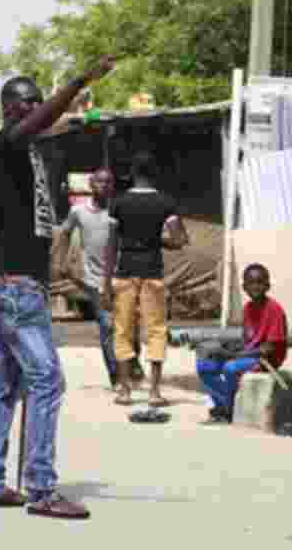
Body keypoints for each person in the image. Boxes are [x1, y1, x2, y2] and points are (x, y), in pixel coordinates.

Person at [0, 57, 117, 519]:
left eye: (38, 100)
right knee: (47, 379)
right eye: (26, 102)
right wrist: (78, 80)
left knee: (5, 384)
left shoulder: (30, 153)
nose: (35, 108)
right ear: (10, 110)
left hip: (20, 280)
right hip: (16, 284)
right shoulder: (6, 142)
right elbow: (39, 123)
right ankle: (41, 488)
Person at [102, 151, 189, 407]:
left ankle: (125, 390)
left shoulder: (118, 203)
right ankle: (154, 392)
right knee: (156, 330)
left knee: (123, 330)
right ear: (155, 173)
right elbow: (178, 239)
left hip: (125, 271)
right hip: (153, 270)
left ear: (132, 173)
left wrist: (105, 283)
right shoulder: (166, 202)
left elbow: (111, 245)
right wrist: (158, 240)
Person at [54, 168, 145, 387]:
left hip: (123, 275)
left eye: (108, 183)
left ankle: (132, 359)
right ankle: (115, 376)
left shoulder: (120, 209)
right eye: (99, 182)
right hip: (94, 279)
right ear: (91, 185)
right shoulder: (78, 211)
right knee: (107, 326)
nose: (104, 186)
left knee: (129, 324)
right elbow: (65, 232)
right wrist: (62, 260)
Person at [196, 264, 287, 424]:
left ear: (267, 285)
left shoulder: (274, 309)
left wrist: (233, 356)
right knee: (205, 365)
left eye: (259, 282)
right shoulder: (247, 309)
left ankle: (227, 411)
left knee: (230, 368)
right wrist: (221, 349)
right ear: (244, 286)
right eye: (251, 283)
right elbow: (247, 342)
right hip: (250, 355)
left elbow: (268, 349)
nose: (255, 286)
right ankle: (226, 405)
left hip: (267, 361)